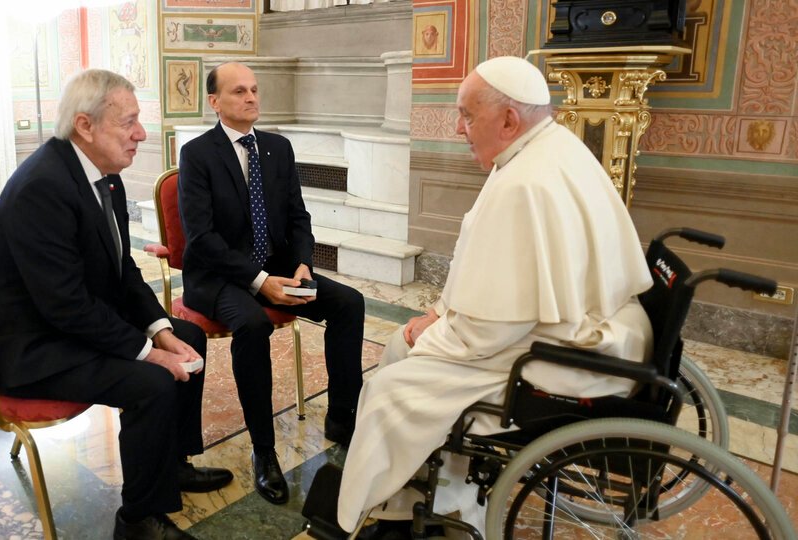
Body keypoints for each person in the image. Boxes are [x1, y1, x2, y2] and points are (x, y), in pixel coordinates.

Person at [335, 56, 655, 534]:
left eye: (467, 114)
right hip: (588, 330)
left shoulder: (525, 182)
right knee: (405, 346)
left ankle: (395, 510)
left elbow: (490, 330)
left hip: (563, 355)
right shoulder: (549, 147)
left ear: (508, 120)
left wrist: (434, 333)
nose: (458, 128)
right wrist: (440, 313)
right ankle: (429, 494)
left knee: (390, 389)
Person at [0, 69, 233, 540]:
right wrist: (148, 353)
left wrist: (160, 330)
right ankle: (137, 519)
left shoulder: (103, 176)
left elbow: (121, 269)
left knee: (188, 336)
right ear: (85, 126)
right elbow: (65, 305)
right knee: (151, 382)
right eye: (128, 122)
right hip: (34, 346)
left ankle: (170, 465)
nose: (141, 134)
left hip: (68, 324)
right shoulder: (42, 187)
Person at [177, 62, 366, 505]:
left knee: (349, 302)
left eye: (255, 90)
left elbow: (298, 216)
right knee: (252, 324)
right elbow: (202, 239)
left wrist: (302, 265)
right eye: (239, 91)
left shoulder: (278, 148)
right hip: (219, 276)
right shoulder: (197, 154)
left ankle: (342, 416)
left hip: (278, 268)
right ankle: (264, 451)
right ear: (214, 102)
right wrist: (260, 282)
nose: (251, 98)